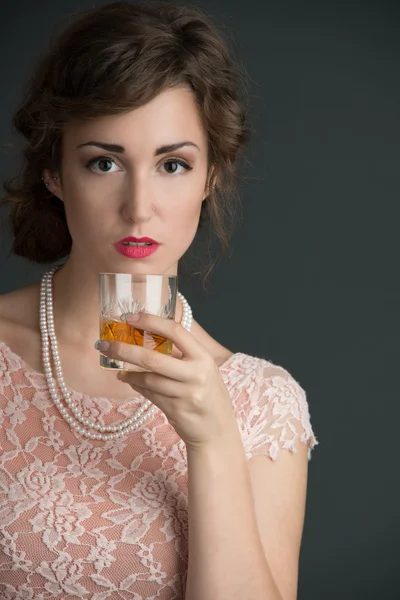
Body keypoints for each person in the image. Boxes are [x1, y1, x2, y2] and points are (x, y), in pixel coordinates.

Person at [0, 2, 318, 599]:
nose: (139, 205)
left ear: (211, 177)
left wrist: (214, 441)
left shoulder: (263, 404)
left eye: (173, 164)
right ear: (53, 173)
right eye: (103, 162)